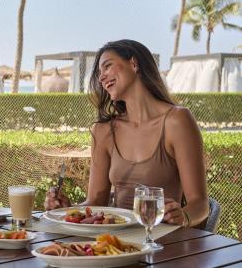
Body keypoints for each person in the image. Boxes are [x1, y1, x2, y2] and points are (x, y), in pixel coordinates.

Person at [45, 40, 209, 228]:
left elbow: (200, 204)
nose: (101, 78)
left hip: (163, 242)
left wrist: (184, 217)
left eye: (107, 66)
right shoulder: (103, 131)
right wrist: (69, 211)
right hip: (114, 244)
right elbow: (96, 201)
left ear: (133, 63)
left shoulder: (177, 121)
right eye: (99, 73)